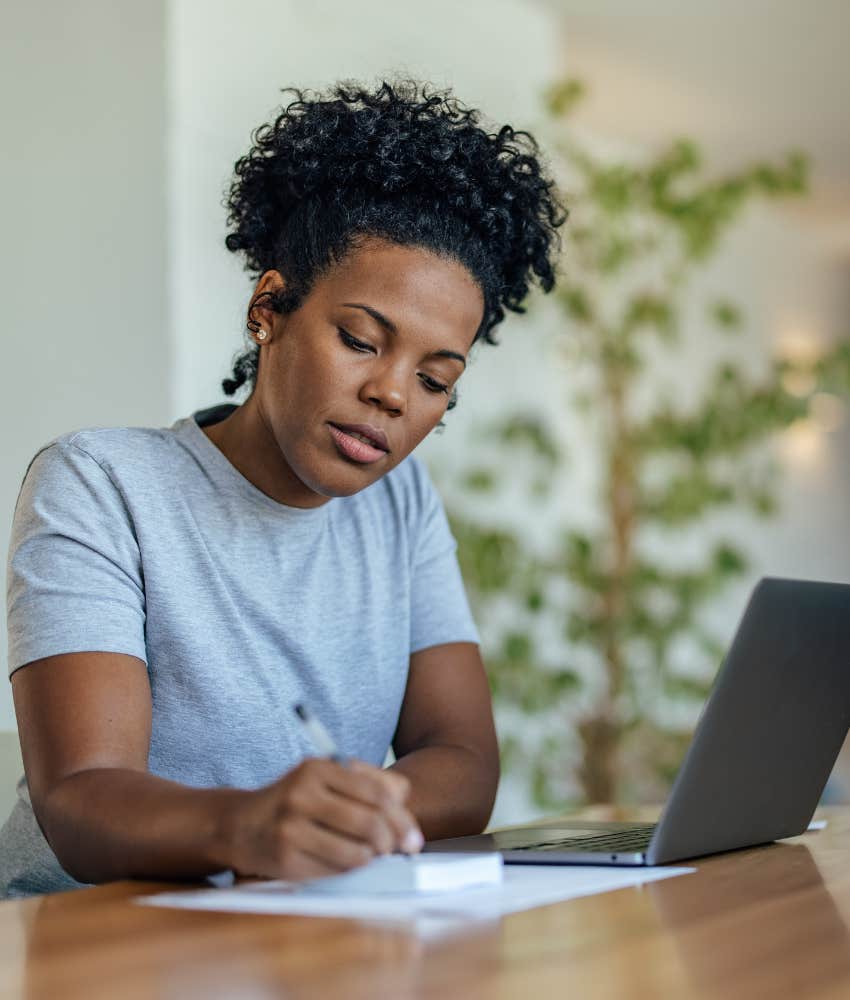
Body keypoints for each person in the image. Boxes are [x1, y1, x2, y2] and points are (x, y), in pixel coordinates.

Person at [1, 80, 566, 897]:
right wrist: (253, 825)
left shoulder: (399, 507)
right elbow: (81, 799)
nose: (395, 395)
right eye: (362, 340)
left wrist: (345, 819)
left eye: (437, 379)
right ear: (269, 306)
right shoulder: (101, 483)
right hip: (89, 944)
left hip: (299, 926)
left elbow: (465, 762)